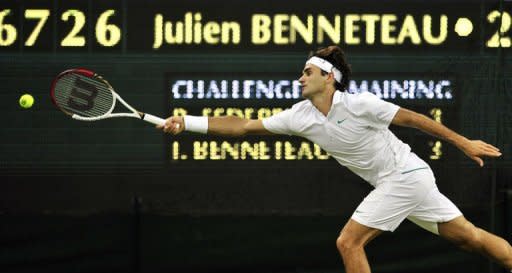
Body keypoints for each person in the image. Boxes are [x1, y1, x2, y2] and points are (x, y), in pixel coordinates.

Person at [158, 45, 512, 272]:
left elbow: (414, 119)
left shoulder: (360, 104)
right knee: (470, 238)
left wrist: (463, 142)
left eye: (307, 73)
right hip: (405, 181)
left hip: (405, 176)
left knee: (348, 242)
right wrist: (187, 121)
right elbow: (243, 126)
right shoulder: (299, 115)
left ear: (329, 78)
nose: (300, 79)